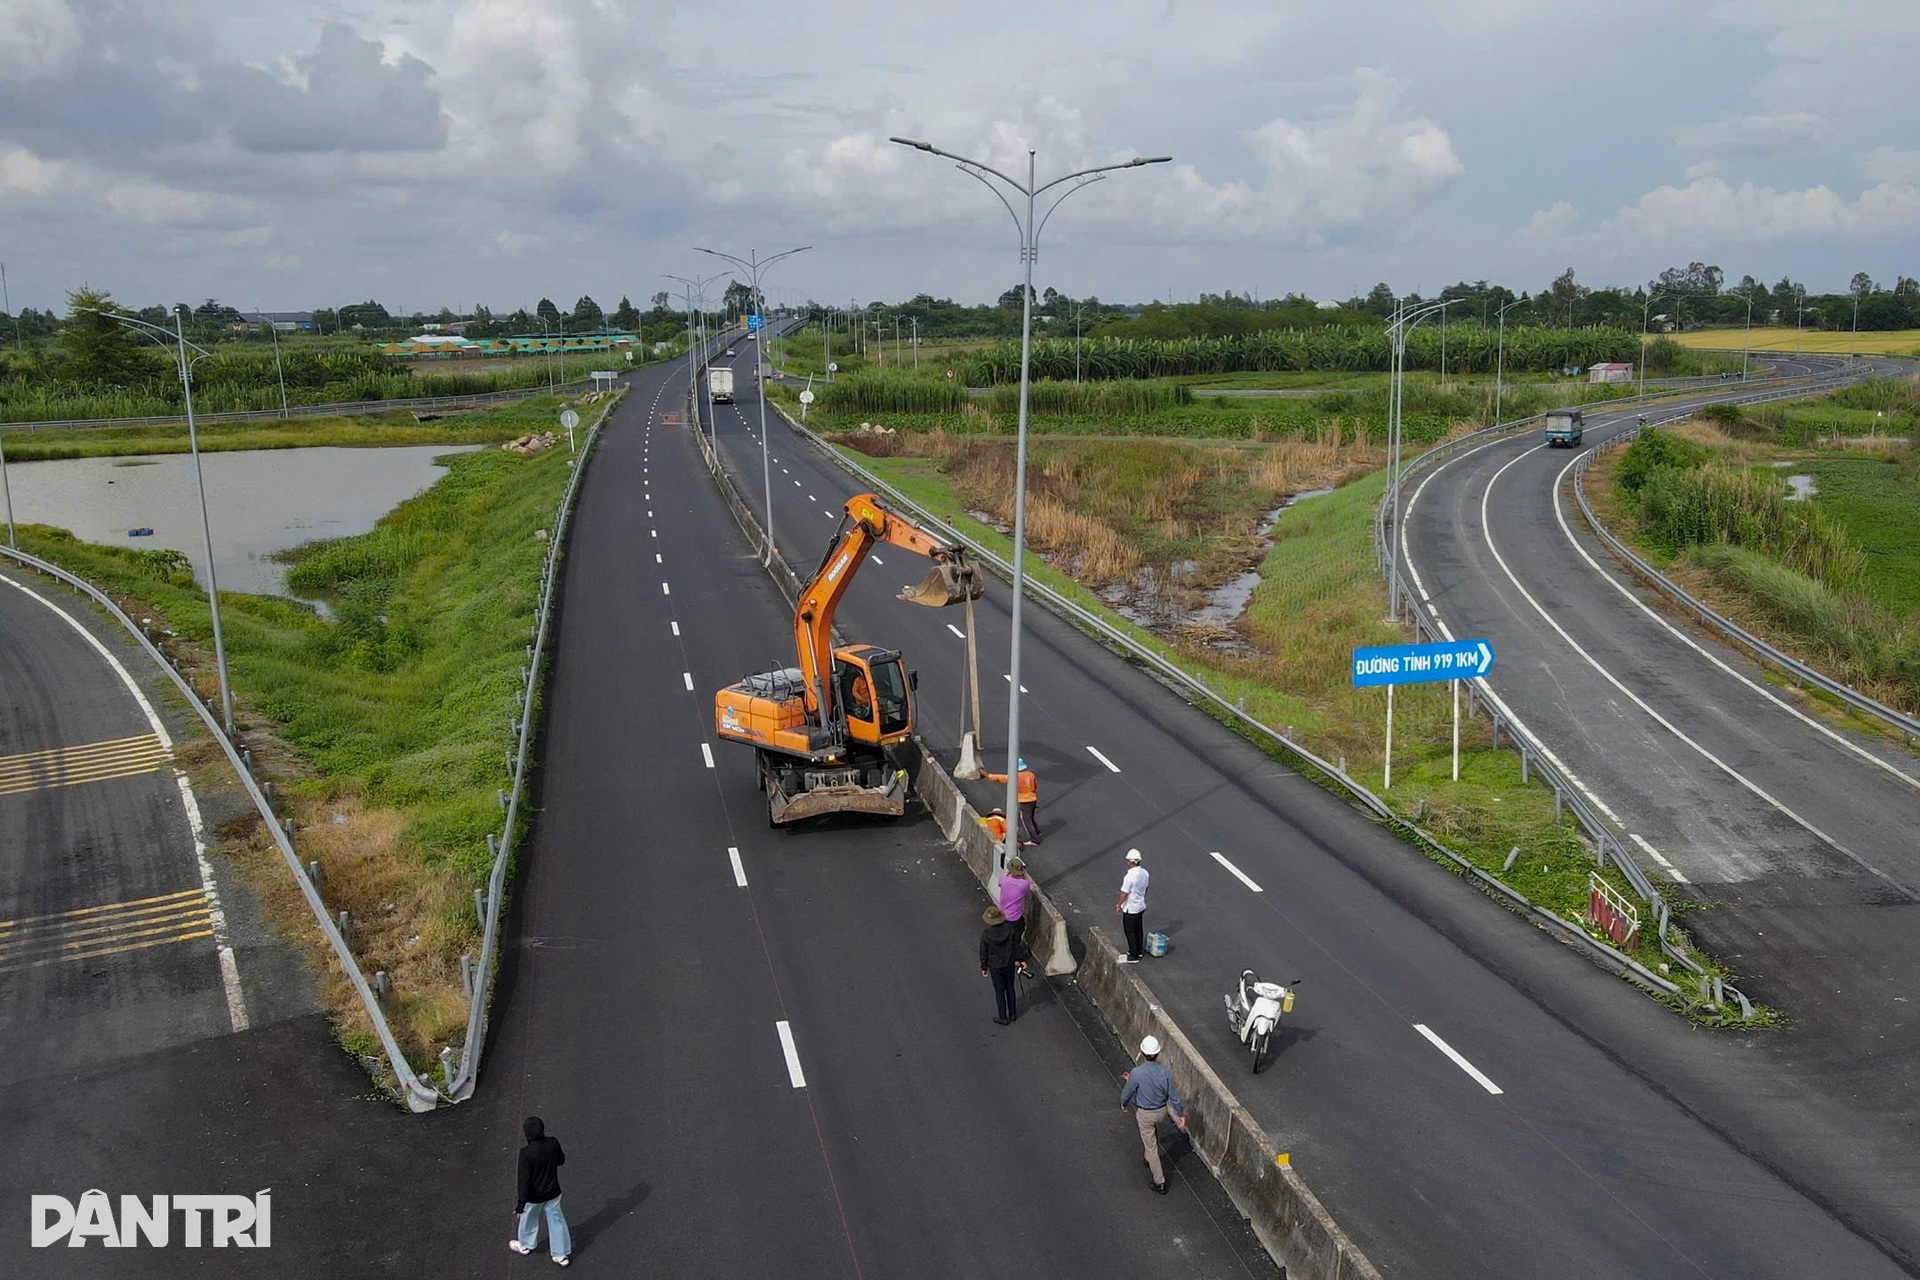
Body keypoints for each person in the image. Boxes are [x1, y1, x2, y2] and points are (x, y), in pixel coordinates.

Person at [1120, 1035, 1187, 1194]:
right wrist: (1181, 1114)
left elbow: (1128, 1092)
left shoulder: (1137, 1072)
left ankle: (1159, 1181)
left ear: (1143, 1052)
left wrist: (1124, 1103)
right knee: (1151, 1134)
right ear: (1157, 1053)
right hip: (1161, 1112)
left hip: (1145, 1114)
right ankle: (1147, 1158)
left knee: (1151, 1147)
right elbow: (1173, 1096)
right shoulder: (1165, 1072)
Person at [511, 1117, 571, 1266]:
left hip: (534, 1197)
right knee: (557, 1221)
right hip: (553, 1192)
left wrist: (520, 1204)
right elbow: (561, 1161)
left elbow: (524, 1181)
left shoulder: (526, 1153)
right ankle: (561, 1254)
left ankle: (525, 1245)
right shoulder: (553, 1142)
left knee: (528, 1220)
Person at [979, 906, 1032, 1024]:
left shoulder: (986, 934)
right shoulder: (1010, 930)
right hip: (1008, 964)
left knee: (999, 992)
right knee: (1010, 989)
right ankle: (1013, 1014)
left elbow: (983, 951)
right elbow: (1016, 946)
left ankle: (1002, 1017)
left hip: (995, 966)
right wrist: (1021, 959)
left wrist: (984, 967)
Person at [983, 758, 1040, 846]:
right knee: (1031, 817)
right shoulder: (1031, 775)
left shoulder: (1015, 777)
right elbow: (1035, 786)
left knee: (1026, 820)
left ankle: (1034, 840)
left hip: (1025, 800)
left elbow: (998, 778)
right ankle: (1037, 832)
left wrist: (986, 774)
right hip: (1033, 799)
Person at [1115, 848, 1149, 963]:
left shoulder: (1129, 876)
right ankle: (1139, 950)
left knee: (1130, 931)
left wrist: (1119, 905)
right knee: (1138, 929)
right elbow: (1146, 888)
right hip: (1141, 905)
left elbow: (1124, 893)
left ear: (1131, 862)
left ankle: (1134, 955)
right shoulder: (1145, 873)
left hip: (1131, 908)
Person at [998, 854, 1032, 931]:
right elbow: (1029, 884)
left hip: (1003, 915)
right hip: (1016, 918)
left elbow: (1000, 882)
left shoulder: (1004, 880)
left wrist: (1007, 874)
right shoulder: (1024, 884)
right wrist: (1025, 873)